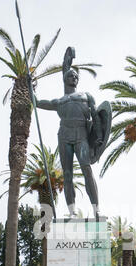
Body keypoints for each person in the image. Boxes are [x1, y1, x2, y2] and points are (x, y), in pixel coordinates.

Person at [35, 47, 103, 218]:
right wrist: (30, 86)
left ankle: (96, 210)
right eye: (71, 76)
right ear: (65, 79)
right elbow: (37, 102)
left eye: (76, 76)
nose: (74, 77)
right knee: (67, 175)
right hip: (64, 136)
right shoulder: (59, 101)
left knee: (87, 170)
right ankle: (72, 212)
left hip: (81, 135)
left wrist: (99, 136)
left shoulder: (86, 96)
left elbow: (96, 117)